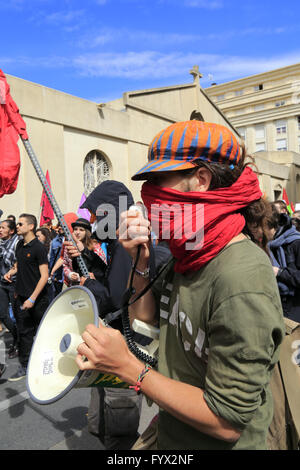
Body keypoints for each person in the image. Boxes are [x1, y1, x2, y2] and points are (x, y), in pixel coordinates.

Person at [75, 120, 285, 450]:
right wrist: (140, 262)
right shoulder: (186, 254)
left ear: (200, 180)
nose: (150, 193)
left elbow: (227, 420)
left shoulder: (241, 276)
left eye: (160, 180)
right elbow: (146, 328)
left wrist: (129, 369)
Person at [65, 181, 145, 450]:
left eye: (99, 214)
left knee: (119, 407)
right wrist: (85, 255)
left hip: (126, 340)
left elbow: (114, 297)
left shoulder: (126, 245)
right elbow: (108, 276)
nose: (96, 221)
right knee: (102, 406)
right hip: (113, 337)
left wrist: (88, 284)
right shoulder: (118, 241)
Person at [4, 214, 49, 381]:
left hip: (38, 299)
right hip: (21, 297)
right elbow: (19, 265)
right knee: (24, 334)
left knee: (44, 332)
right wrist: (12, 271)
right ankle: (26, 366)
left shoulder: (39, 248)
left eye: (21, 223)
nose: (17, 226)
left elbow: (44, 276)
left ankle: (47, 364)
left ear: (31, 226)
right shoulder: (20, 246)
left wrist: (32, 298)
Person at [268, 204, 300, 323]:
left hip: (295, 308)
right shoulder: (270, 244)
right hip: (279, 306)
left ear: (274, 227)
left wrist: (280, 272)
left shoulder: (296, 242)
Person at [0, 219, 19, 363]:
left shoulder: (17, 243)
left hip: (14, 282)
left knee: (18, 315)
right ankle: (17, 335)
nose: (0, 230)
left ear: (11, 231)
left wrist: (11, 273)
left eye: (3, 228)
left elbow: (18, 264)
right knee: (3, 315)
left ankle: (18, 343)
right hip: (2, 282)